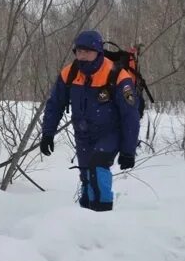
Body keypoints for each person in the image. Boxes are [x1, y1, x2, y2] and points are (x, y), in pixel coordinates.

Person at [40, 29, 140, 212]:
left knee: (97, 169)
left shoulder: (117, 75)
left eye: (87, 51)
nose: (82, 55)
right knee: (86, 175)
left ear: (98, 52)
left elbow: (130, 115)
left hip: (110, 133)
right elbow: (55, 105)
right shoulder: (69, 73)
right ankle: (86, 219)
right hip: (83, 134)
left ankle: (102, 217)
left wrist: (128, 150)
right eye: (79, 51)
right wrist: (47, 133)